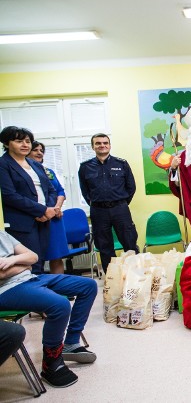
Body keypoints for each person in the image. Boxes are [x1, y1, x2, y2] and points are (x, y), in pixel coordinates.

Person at [0, 230, 98, 388]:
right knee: (59, 305)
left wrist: (14, 261)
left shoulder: (2, 234)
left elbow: (33, 257)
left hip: (31, 278)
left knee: (88, 286)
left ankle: (71, 343)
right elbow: (3, 274)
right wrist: (23, 266)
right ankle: (51, 365)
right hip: (6, 290)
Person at [0, 126, 57, 274]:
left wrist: (49, 210)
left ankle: (42, 293)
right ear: (6, 143)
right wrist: (42, 210)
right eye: (19, 141)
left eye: (27, 141)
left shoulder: (35, 164)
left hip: (44, 219)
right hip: (22, 222)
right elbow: (9, 195)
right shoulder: (3, 164)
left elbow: (50, 190)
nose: (25, 145)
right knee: (31, 264)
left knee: (41, 259)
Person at [78, 133, 139, 273]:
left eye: (105, 143)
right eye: (98, 143)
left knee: (129, 242)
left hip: (120, 209)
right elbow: (85, 191)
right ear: (93, 147)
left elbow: (131, 187)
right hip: (98, 211)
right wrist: (96, 204)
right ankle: (111, 279)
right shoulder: (85, 167)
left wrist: (121, 202)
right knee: (104, 246)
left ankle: (135, 276)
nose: (102, 145)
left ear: (110, 145)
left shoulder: (121, 164)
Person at [28, 141, 66, 274]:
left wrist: (57, 207)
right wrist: (43, 211)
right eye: (35, 150)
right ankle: (43, 292)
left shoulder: (48, 171)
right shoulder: (23, 172)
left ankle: (61, 292)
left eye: (41, 150)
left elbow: (60, 191)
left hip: (54, 217)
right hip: (36, 218)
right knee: (37, 258)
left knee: (56, 256)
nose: (39, 153)